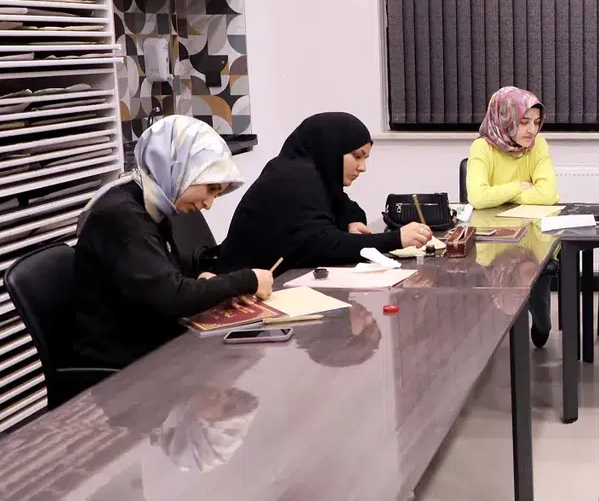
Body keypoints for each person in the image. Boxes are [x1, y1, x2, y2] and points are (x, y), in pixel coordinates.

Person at [69, 116, 273, 373]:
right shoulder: (122, 217)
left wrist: (206, 284)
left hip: (149, 343)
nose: (209, 204)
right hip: (123, 369)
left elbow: (160, 281)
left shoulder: (146, 205)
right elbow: (172, 298)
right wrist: (248, 280)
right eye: (210, 188)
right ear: (180, 168)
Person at [216, 112, 431, 273]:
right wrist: (396, 238)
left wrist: (348, 221)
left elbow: (348, 209)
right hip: (236, 295)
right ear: (331, 149)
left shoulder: (316, 174)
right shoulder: (293, 178)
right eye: (357, 156)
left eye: (365, 158)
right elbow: (326, 246)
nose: (362, 167)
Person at [465, 87, 558, 347]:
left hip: (533, 239)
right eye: (524, 122)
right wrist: (519, 187)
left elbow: (548, 194)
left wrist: (498, 194)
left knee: (542, 319)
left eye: (536, 123)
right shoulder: (482, 148)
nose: (532, 130)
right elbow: (477, 197)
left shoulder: (538, 145)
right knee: (500, 313)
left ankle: (540, 321)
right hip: (492, 243)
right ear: (505, 118)